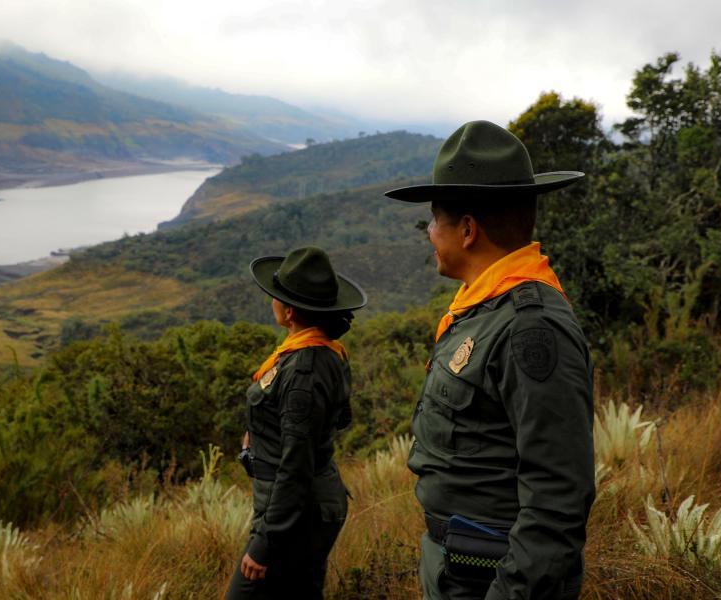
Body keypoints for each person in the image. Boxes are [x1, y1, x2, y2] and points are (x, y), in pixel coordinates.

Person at [383, 120, 595, 599]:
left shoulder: (531, 328)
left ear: (468, 230)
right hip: (460, 565)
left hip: (490, 579)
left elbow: (557, 501)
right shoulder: (483, 310)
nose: (429, 233)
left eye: (434, 220)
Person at [226, 245, 367, 600]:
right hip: (304, 506)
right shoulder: (322, 352)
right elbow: (334, 421)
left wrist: (266, 543)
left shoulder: (304, 367)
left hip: (296, 513)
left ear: (288, 311)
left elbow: (296, 464)